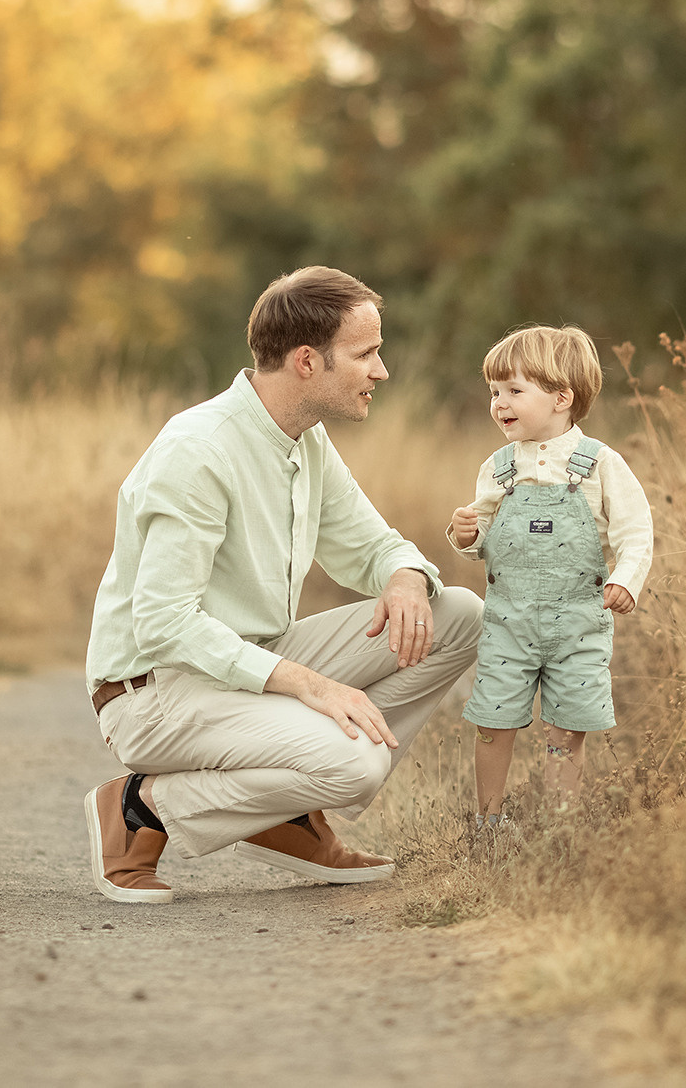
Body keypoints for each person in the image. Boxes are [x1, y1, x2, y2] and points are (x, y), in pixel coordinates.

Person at [84, 267, 484, 904]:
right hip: (155, 691)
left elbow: (370, 545)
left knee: (457, 613)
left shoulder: (305, 439)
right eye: (367, 354)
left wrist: (405, 577)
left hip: (251, 661)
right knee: (356, 762)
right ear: (306, 361)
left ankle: (292, 810)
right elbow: (162, 622)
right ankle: (142, 807)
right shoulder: (200, 450)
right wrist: (312, 685)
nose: (382, 371)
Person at [445, 325, 653, 832]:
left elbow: (636, 531)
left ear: (563, 397)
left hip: (579, 623)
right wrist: (466, 534)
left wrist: (626, 579)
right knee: (493, 722)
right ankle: (488, 822)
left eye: (515, 391)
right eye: (494, 392)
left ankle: (560, 824)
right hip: (509, 622)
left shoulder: (601, 464)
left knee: (566, 727)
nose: (499, 403)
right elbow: (485, 546)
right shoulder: (497, 469)